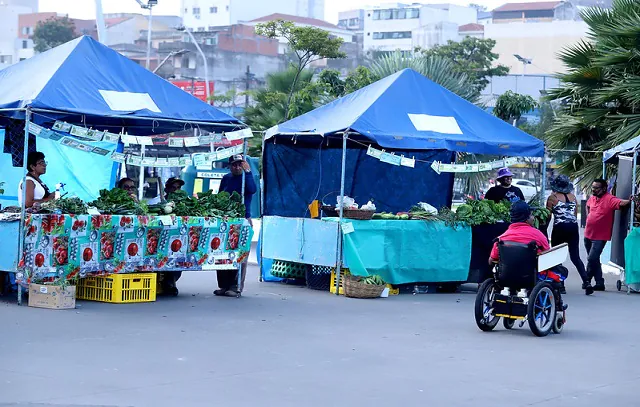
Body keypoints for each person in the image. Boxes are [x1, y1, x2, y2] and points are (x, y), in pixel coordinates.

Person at [489, 201, 567, 287]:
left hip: (506, 276)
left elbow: (491, 260)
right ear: (527, 218)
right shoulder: (538, 235)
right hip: (531, 278)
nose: (533, 218)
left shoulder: (502, 238)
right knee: (561, 272)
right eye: (531, 215)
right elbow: (547, 255)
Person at [214, 155, 257, 297]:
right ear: (229, 166)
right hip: (227, 221)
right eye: (234, 165)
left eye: (240, 165)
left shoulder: (247, 177)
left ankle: (236, 286)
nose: (237, 167)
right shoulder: (226, 178)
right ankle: (224, 285)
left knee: (241, 254)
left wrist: (248, 171)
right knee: (221, 252)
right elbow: (220, 195)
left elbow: (252, 190)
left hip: (243, 220)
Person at [546, 175, 593, 295]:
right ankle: (586, 282)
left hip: (559, 228)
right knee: (575, 257)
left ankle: (560, 285)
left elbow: (548, 216)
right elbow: (573, 214)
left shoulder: (552, 198)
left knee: (556, 256)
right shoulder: (573, 198)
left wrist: (543, 230)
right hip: (573, 228)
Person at [584, 179, 633, 291]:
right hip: (588, 234)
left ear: (604, 189)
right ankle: (599, 283)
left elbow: (620, 202)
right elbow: (587, 205)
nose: (594, 190)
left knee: (592, 258)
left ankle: (587, 279)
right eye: (593, 187)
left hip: (600, 236)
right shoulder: (592, 198)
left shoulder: (609, 199)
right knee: (593, 260)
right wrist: (588, 218)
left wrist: (629, 201)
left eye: (596, 188)